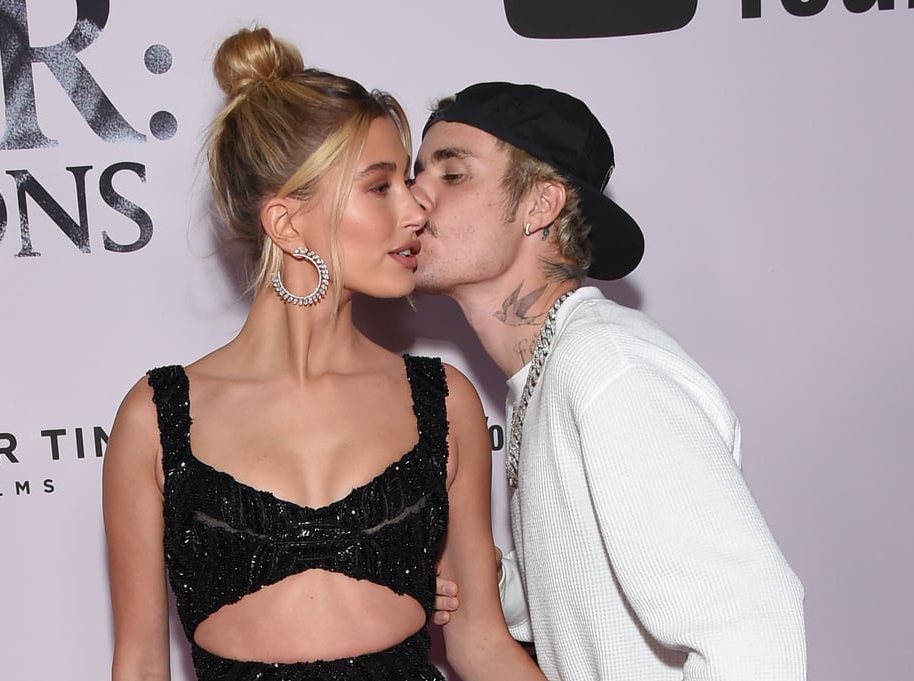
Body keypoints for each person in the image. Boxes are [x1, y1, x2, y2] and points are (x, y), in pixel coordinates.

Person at [101, 32, 546, 681]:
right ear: (286, 223)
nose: (417, 206)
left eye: (410, 180)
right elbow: (140, 664)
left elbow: (480, 642)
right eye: (380, 186)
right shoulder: (157, 416)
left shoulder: (444, 401)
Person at [411, 82, 808, 680]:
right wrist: (484, 577)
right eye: (419, 175)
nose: (415, 199)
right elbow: (591, 596)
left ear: (540, 205)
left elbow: (749, 630)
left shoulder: (606, 364)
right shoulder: (552, 370)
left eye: (452, 174)